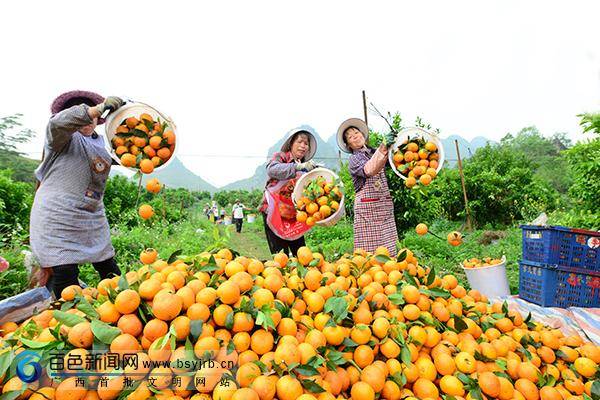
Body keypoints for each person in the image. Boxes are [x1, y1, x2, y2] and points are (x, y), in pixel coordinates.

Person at [30, 90, 125, 298]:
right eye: (81, 112)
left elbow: (128, 155)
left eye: (92, 114)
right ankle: (71, 324)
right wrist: (97, 108)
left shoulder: (103, 144)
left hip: (91, 216)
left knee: (108, 268)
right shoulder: (60, 137)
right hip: (58, 216)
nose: (88, 118)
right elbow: (57, 123)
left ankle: (123, 310)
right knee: (65, 272)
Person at [337, 118, 398, 256]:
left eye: (356, 133)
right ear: (349, 145)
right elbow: (369, 170)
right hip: (367, 210)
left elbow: (395, 161)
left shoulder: (374, 151)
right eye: (351, 137)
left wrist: (395, 144)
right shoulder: (354, 159)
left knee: (390, 249)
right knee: (369, 253)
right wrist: (383, 147)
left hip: (384, 205)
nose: (355, 137)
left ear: (363, 135)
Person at [260, 127, 319, 256]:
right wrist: (297, 166)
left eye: (306, 143)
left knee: (301, 254)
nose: (303, 146)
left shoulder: (306, 166)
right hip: (273, 211)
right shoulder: (281, 156)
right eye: (299, 142)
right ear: (291, 144)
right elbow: (272, 169)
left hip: (294, 215)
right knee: (280, 255)